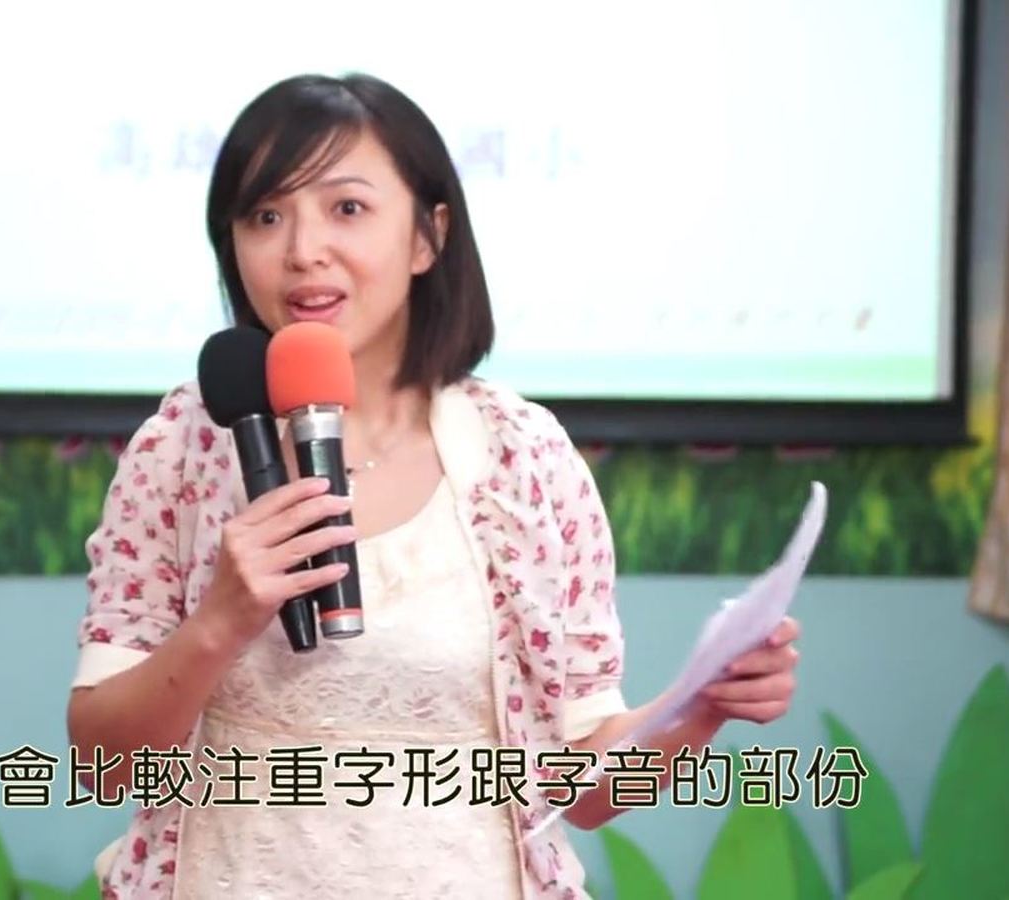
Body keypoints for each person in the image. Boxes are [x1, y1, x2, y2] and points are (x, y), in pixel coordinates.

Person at [66, 73, 802, 900]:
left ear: (427, 236)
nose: (303, 249)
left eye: (347, 208)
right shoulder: (185, 446)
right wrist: (218, 624)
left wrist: (700, 709)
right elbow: (101, 766)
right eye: (265, 216)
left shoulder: (524, 458)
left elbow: (584, 794)